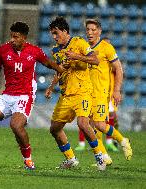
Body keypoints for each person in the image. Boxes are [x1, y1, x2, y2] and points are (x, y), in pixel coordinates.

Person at [0, 21, 64, 170]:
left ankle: (28, 159)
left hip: (24, 96)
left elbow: (49, 64)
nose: (12, 40)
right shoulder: (3, 50)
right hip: (7, 95)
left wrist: (62, 70)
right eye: (11, 36)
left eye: (16, 37)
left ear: (24, 37)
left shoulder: (35, 51)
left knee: (16, 125)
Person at [48, 16, 106, 171]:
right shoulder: (55, 51)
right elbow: (59, 71)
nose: (54, 37)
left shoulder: (79, 42)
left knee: (82, 123)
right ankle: (71, 159)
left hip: (83, 92)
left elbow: (95, 60)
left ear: (65, 31)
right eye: (52, 34)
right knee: (54, 128)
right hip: (66, 94)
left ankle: (100, 156)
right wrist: (51, 87)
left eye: (56, 33)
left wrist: (76, 56)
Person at [84, 19, 132, 163]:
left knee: (98, 124)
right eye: (88, 29)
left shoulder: (106, 47)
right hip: (86, 92)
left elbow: (119, 69)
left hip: (101, 92)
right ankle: (104, 157)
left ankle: (123, 141)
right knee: (87, 125)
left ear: (99, 31)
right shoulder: (85, 47)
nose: (90, 32)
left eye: (93, 30)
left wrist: (116, 90)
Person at [74, 37, 119, 153]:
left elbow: (117, 70)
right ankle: (83, 143)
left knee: (109, 117)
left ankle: (109, 143)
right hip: (91, 91)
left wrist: (116, 90)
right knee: (86, 118)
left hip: (105, 92)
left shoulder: (111, 62)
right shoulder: (92, 58)